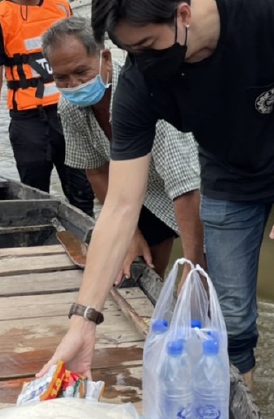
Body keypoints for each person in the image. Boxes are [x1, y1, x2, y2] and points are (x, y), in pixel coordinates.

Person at [39, 0, 274, 390]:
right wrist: (83, 320)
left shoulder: (267, 7)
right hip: (227, 179)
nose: (140, 60)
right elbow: (120, 205)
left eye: (147, 45)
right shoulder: (139, 82)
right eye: (128, 48)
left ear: (183, 14)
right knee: (230, 316)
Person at [41, 16, 204, 277]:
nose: (74, 85)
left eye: (82, 72)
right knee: (142, 267)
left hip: (194, 185)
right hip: (140, 192)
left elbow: (185, 186)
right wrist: (129, 233)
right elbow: (97, 172)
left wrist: (193, 264)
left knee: (206, 270)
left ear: (105, 58)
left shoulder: (143, 93)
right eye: (61, 77)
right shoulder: (69, 107)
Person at [0, 0, 95, 215]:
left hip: (70, 111)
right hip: (28, 121)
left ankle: (90, 247)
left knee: (83, 193)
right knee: (35, 195)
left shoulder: (61, 8)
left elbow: (87, 61)